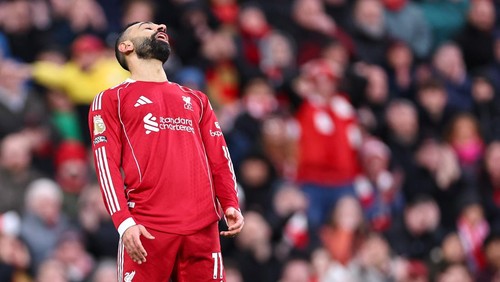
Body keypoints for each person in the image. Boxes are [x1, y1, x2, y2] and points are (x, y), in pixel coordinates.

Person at [88, 21, 244, 281]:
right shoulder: (111, 99)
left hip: (203, 228)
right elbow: (106, 165)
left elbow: (220, 157)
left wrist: (230, 202)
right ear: (125, 46)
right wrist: (124, 222)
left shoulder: (197, 99)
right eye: (146, 27)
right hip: (147, 228)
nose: (160, 26)